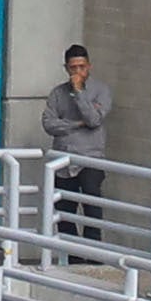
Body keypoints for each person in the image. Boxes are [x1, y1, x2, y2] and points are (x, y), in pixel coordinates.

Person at [38, 44, 115, 212]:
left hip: (91, 159)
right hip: (63, 160)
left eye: (82, 67)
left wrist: (79, 92)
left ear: (89, 66)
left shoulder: (101, 90)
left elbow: (94, 120)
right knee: (64, 211)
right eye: (73, 68)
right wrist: (78, 124)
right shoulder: (58, 93)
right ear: (66, 68)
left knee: (92, 209)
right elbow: (49, 124)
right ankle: (67, 239)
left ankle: (92, 240)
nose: (78, 71)